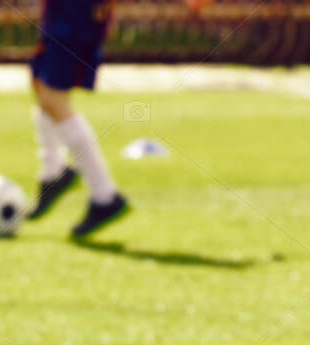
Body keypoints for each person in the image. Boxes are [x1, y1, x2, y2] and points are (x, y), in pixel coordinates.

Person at [27, 0, 205, 235]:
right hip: (60, 12)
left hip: (76, 15)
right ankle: (53, 174)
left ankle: (104, 196)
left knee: (53, 99)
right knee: (40, 85)